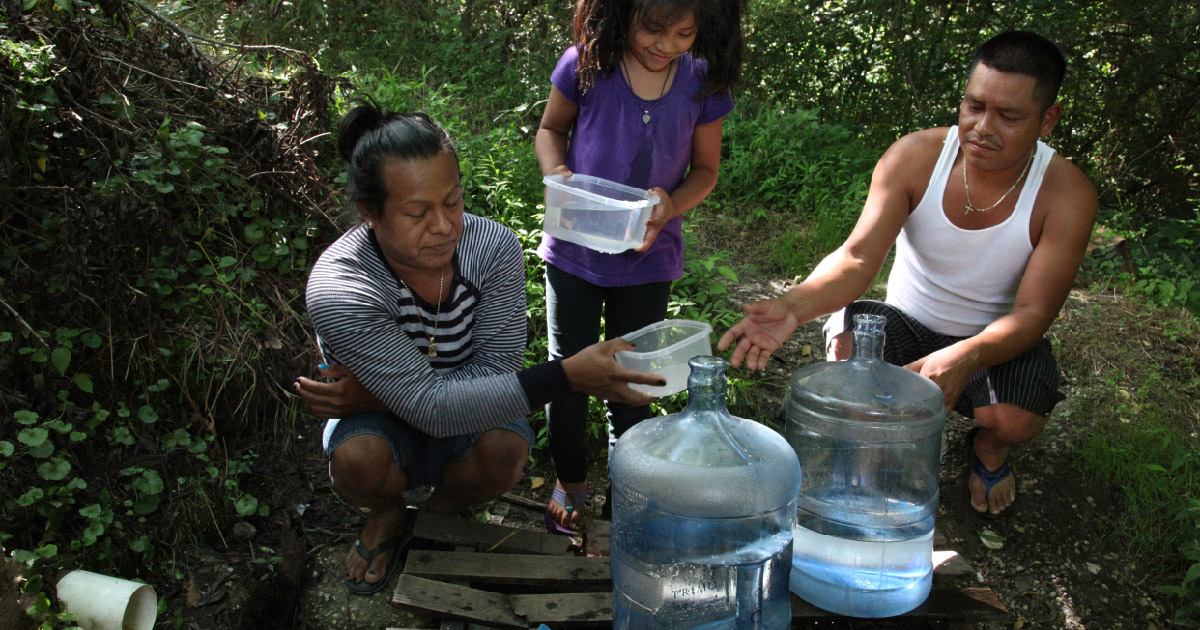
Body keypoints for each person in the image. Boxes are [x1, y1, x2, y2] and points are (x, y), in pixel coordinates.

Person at [718, 31, 1097, 517]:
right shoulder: (917, 156)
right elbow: (857, 258)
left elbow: (1033, 312)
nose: (982, 127)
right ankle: (871, 460)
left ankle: (988, 449)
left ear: (1048, 119)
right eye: (974, 106)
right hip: (902, 320)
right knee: (851, 379)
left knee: (1014, 419)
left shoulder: (1066, 193)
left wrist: (965, 356)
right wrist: (793, 305)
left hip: (990, 341)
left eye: (1008, 116)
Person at [294, 101, 665, 595]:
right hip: (384, 424)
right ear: (370, 212)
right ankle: (387, 514)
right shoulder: (343, 287)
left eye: (453, 201)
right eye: (416, 213)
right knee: (358, 459)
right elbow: (441, 402)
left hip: (422, 407)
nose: (445, 226)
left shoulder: (493, 249)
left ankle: (436, 514)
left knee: (505, 448)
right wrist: (566, 376)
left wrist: (372, 395)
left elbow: (497, 370)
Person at [534, 0, 744, 534]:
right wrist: (558, 174)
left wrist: (670, 205)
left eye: (682, 33)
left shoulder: (701, 83)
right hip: (575, 253)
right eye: (652, 29)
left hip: (649, 263)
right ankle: (571, 481)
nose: (665, 45)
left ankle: (627, 489)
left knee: (635, 379)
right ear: (622, 13)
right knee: (570, 372)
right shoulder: (587, 64)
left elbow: (705, 169)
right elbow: (549, 130)